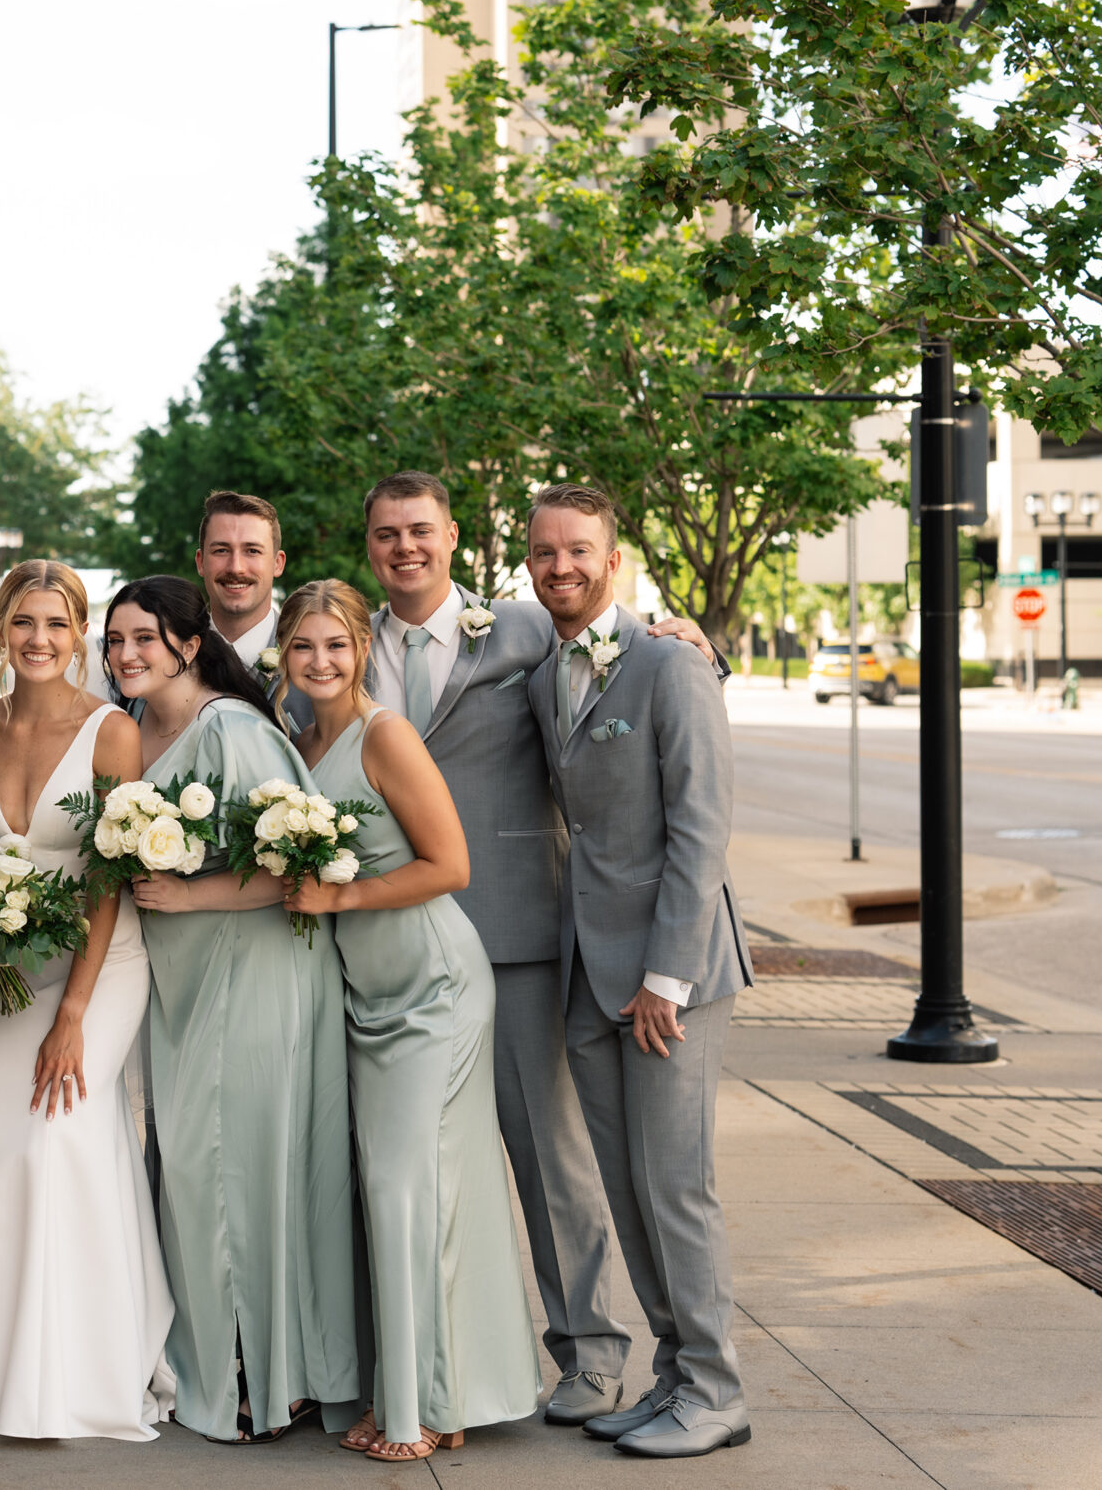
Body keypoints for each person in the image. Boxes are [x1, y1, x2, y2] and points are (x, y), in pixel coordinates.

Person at [358, 470, 720, 1426]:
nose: (406, 547)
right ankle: (410, 1350)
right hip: (385, 939)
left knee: (550, 1160)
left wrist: (687, 635)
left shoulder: (517, 627)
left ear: (454, 536)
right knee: (399, 1157)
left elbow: (614, 648)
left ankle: (591, 1355)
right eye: (388, 533)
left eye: (422, 531)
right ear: (370, 547)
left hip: (517, 927)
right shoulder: (348, 645)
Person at [277, 578, 538, 1461]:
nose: (320, 661)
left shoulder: (384, 735)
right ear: (285, 651)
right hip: (364, 993)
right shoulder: (297, 742)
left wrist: (339, 893)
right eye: (304, 645)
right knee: (411, 1188)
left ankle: (423, 1401)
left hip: (435, 985)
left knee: (403, 1185)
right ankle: (431, 1385)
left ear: (361, 650)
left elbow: (451, 863)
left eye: (336, 646)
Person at [525, 484, 752, 1459]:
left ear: (612, 560)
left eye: (579, 551)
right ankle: (671, 1377)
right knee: (623, 1187)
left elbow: (700, 828)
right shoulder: (546, 671)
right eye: (544, 553)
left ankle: (716, 1388)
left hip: (670, 977)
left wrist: (666, 975)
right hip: (588, 975)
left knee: (676, 1187)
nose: (561, 567)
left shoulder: (668, 663)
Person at [114, 576, 360, 1444]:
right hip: (181, 981)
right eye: (115, 641)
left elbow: (297, 862)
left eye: (144, 637)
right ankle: (215, 1357)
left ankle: (266, 1377)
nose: (128, 653)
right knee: (195, 1169)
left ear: (189, 641)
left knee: (237, 1169)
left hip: (252, 973)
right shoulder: (138, 726)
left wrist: (188, 897)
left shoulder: (233, 727)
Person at [0, 561, 175, 1443]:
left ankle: (87, 1369)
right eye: (23, 622)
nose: (38, 639)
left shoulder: (111, 731)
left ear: (81, 635)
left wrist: (74, 1012)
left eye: (57, 624)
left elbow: (111, 878)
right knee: (5, 1152)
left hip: (98, 968)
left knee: (56, 1134)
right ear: (1, 628)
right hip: (8, 969)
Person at [85, 491, 305, 727]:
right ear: (200, 562)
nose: (236, 567)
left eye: (252, 551)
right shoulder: (151, 659)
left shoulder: (314, 659)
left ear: (277, 563)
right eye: (221, 550)